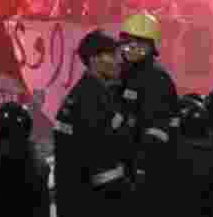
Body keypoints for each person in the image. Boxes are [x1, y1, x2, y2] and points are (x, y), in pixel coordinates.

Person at [54, 30, 132, 217]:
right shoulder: (90, 100)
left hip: (79, 197)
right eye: (113, 55)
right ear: (94, 60)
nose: (119, 61)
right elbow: (100, 155)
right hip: (92, 201)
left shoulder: (91, 94)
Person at [117, 12, 178, 212]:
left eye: (139, 45)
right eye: (127, 44)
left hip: (146, 170)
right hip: (124, 164)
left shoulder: (156, 79)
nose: (131, 49)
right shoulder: (124, 73)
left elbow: (158, 129)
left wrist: (142, 168)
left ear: (152, 47)